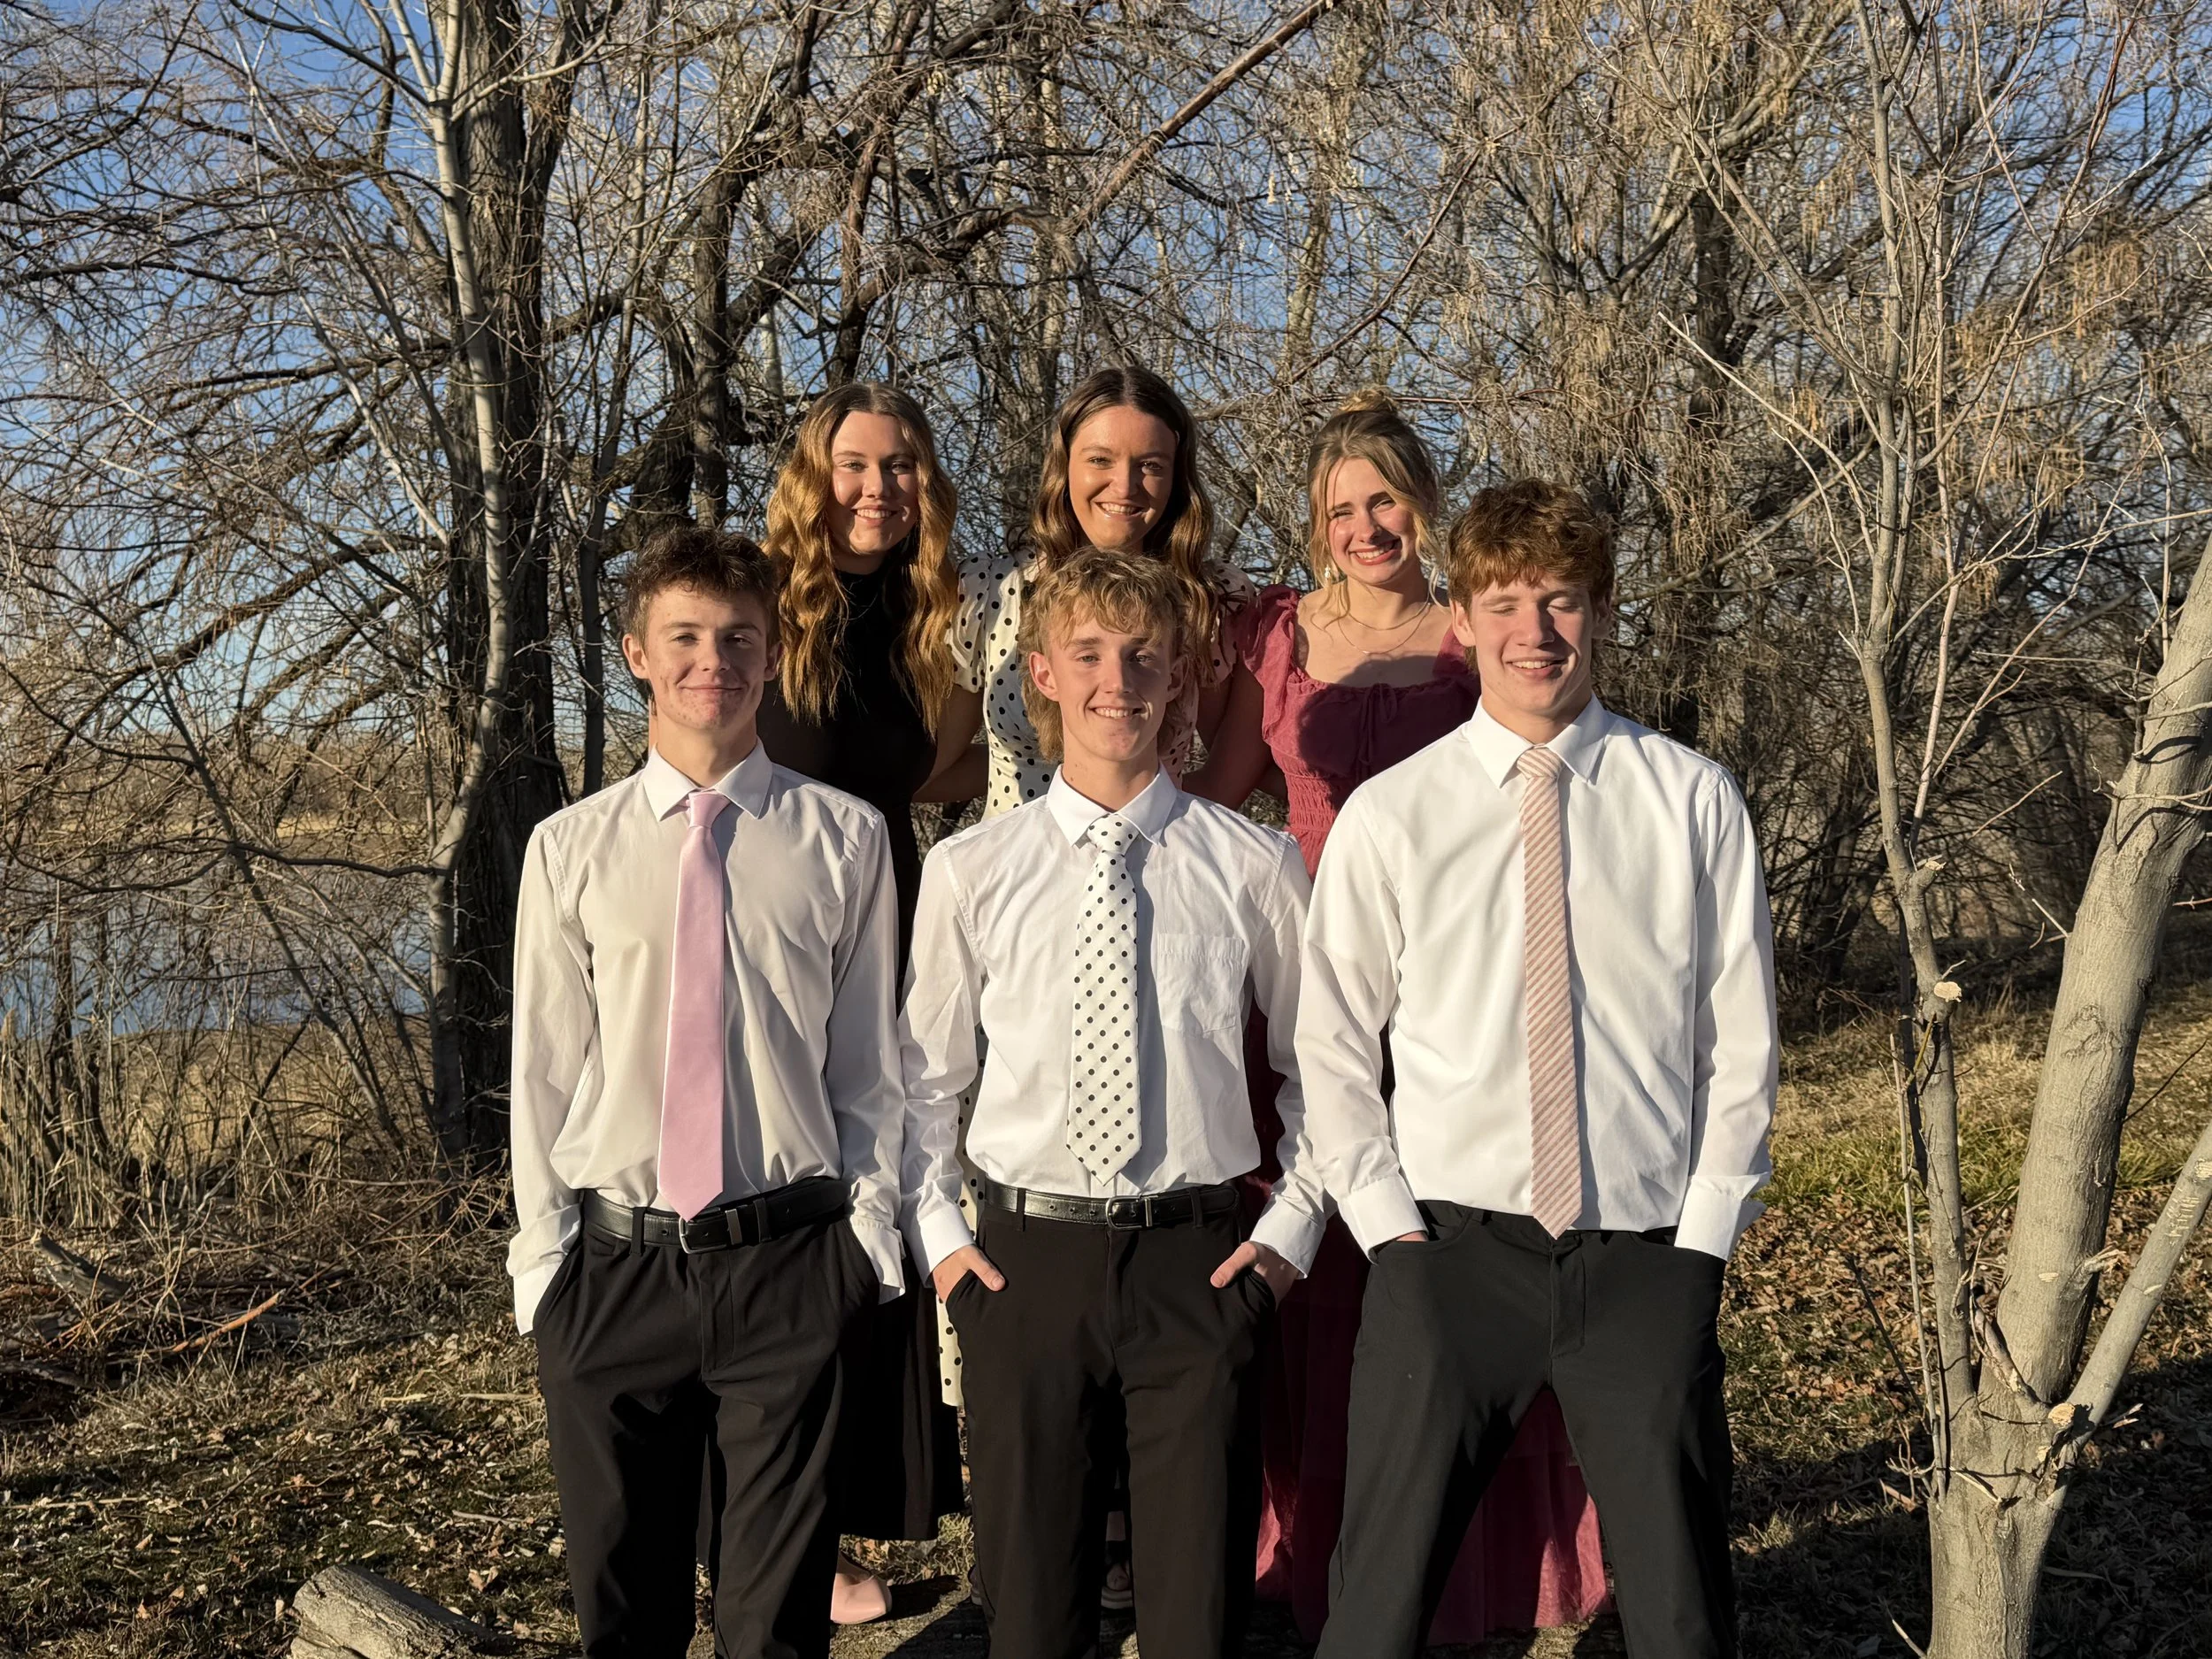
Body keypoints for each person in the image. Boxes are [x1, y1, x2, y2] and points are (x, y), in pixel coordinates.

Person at [1299, 480, 1777, 1659]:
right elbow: (1332, 1041)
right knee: (1376, 1608)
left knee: (1682, 1612)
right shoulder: (1392, 815)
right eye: (1505, 602)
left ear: (1603, 610)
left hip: (1642, 1259)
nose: (1535, 632)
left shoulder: (1692, 799)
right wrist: (1386, 1232)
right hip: (1451, 1259)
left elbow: (1743, 1041)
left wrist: (1703, 1240)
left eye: (1561, 600)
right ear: (1462, 619)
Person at [1187, 396, 1607, 1643]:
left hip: (1461, 982)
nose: (1367, 525)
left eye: (1386, 499)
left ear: (1422, 500)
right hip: (1318, 985)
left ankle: (1486, 1564)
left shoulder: (1474, 630)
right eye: (1341, 507)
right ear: (1314, 522)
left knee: (1462, 1256)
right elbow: (1214, 805)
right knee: (1338, 1274)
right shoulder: (1275, 637)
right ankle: (1333, 1556)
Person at [902, 547, 1326, 1659]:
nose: (1116, 680)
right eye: (1087, 654)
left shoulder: (1253, 864)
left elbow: (1318, 1070)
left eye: (1143, 657)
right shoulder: (972, 872)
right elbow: (921, 1085)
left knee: (1194, 1616)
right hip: (1022, 1269)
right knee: (1034, 1615)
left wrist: (1289, 1229)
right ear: (1039, 673)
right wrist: (945, 1246)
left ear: (1181, 678)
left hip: (1202, 1267)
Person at [508, 526, 906, 1659]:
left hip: (789, 1266)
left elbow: (869, 1065)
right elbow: (541, 1071)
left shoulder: (842, 839)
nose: (711, 661)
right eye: (682, 635)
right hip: (614, 1275)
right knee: (623, 1618)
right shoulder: (566, 850)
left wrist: (866, 1243)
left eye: (738, 637)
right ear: (635, 651)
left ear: (773, 656)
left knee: (772, 1628)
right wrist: (545, 1271)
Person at [754, 383, 974, 1623]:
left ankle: (838, 1518)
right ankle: (763, 1516)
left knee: (867, 1206)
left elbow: (952, 763)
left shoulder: (932, 611)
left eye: (900, 464)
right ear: (813, 473)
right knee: (780, 1214)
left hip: (885, 925)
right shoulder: (764, 599)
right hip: (775, 935)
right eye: (853, 464)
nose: (878, 486)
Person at [939, 364, 1251, 818]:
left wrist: (1178, 843)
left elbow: (1231, 768)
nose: (1124, 486)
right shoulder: (990, 590)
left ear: (1176, 478)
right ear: (1064, 467)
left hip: (1155, 873)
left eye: (1150, 465)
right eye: (1100, 460)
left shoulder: (1210, 598)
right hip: (1017, 875)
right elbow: (936, 767)